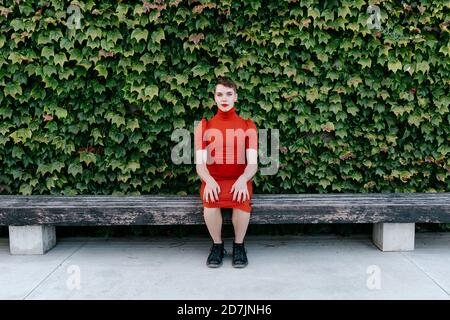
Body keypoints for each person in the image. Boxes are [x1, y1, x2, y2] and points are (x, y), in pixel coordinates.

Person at [194, 76, 258, 268]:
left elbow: (253, 164)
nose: (224, 98)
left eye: (229, 94)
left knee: (241, 199)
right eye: (220, 94)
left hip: (239, 178)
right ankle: (217, 246)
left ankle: (239, 245)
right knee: (210, 203)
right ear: (214, 98)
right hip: (213, 179)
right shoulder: (204, 126)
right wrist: (208, 180)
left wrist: (243, 179)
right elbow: (200, 164)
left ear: (235, 97)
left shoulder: (248, 126)